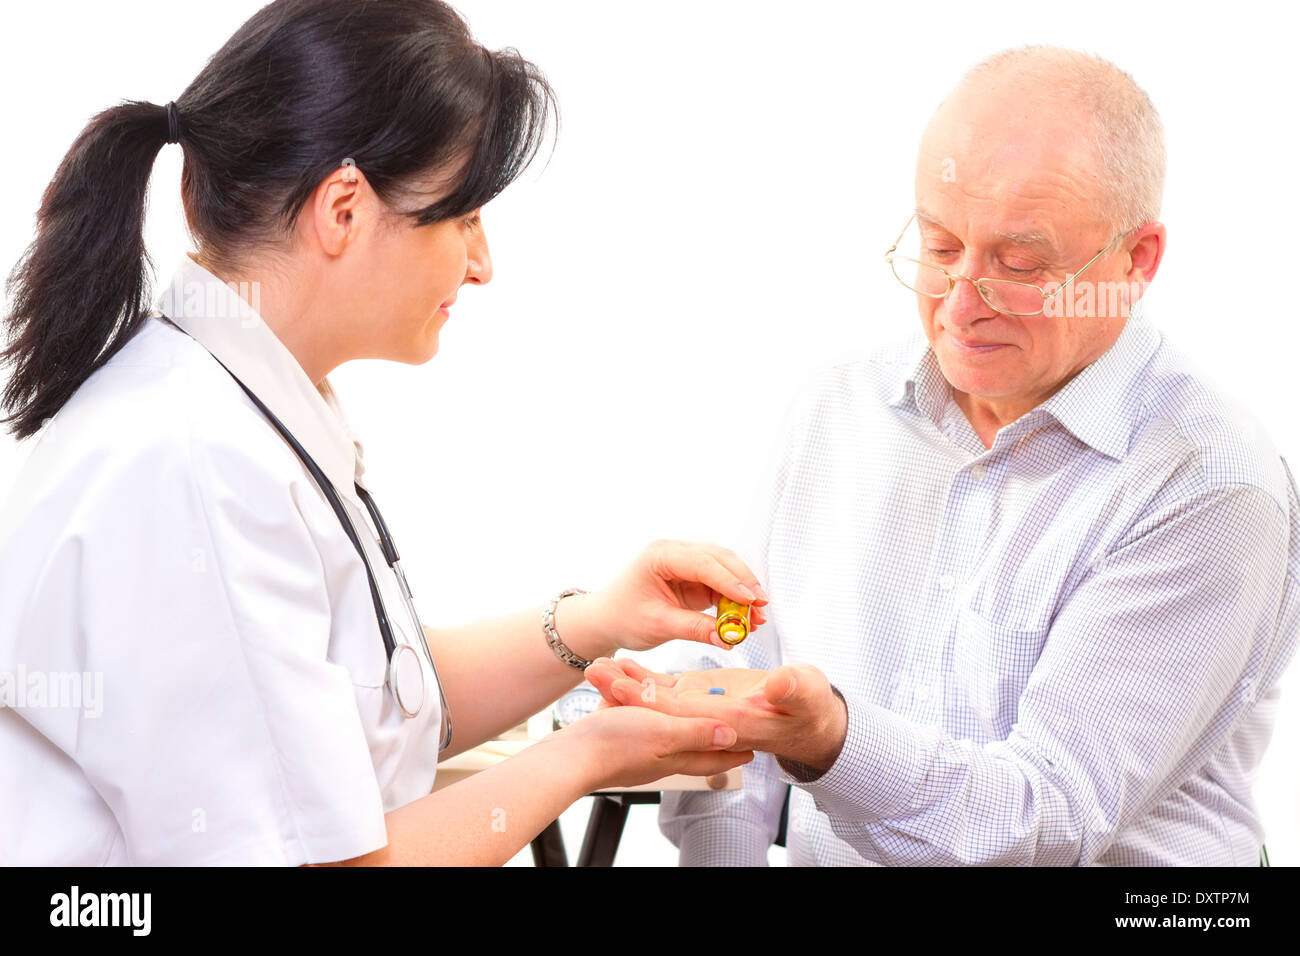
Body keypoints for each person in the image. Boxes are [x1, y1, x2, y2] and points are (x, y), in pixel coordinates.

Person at [0, 0, 764, 866]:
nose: (483, 266)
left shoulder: (243, 407)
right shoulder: (197, 466)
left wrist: (598, 621)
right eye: (465, 216)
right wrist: (592, 753)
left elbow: (380, 702)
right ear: (343, 209)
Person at [586, 45, 1300, 866]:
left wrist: (837, 740)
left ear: (1135, 262)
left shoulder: (1207, 486)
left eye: (1020, 264)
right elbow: (734, 656)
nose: (962, 305)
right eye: (941, 245)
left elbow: (1044, 817)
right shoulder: (835, 410)